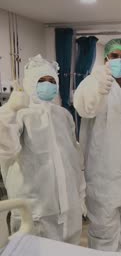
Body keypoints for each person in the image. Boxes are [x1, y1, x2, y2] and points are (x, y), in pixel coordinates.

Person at [0, 55, 84, 244]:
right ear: (30, 83)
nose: (48, 85)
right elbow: (5, 149)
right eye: (41, 80)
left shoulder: (63, 115)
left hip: (68, 208)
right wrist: (9, 110)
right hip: (36, 211)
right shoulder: (20, 114)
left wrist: (80, 193)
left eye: (52, 80)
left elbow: (73, 158)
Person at [74, 38, 121, 256]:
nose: (119, 60)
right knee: (104, 240)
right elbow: (84, 108)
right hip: (103, 181)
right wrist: (98, 91)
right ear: (106, 59)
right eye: (114, 56)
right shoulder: (90, 83)